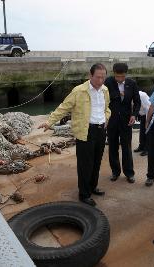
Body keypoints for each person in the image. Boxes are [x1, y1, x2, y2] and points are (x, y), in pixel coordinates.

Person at [38, 63, 111, 207]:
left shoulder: (105, 90)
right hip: (86, 131)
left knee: (96, 161)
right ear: (90, 76)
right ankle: (84, 194)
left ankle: (92, 186)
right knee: (85, 164)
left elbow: (107, 107)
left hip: (101, 130)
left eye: (103, 77)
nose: (101, 80)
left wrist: (106, 118)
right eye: (98, 77)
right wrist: (49, 122)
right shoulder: (79, 91)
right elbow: (64, 107)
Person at [104, 63, 141, 183]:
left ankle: (129, 173)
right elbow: (103, 98)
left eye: (122, 76)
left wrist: (134, 114)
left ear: (126, 74)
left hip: (126, 120)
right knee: (113, 147)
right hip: (112, 120)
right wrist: (118, 94)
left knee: (127, 147)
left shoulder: (132, 83)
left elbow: (137, 102)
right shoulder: (108, 82)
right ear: (113, 73)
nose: (120, 79)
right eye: (117, 76)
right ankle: (115, 171)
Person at [134, 90, 151, 156]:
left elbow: (148, 108)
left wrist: (147, 121)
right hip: (142, 114)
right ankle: (141, 146)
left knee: (147, 131)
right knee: (142, 131)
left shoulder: (142, 95)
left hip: (148, 114)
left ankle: (147, 149)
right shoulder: (130, 94)